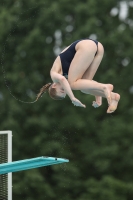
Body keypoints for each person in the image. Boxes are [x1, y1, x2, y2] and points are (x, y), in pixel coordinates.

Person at [36, 38, 120, 113]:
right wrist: (98, 98)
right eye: (65, 92)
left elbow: (62, 80)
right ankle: (113, 97)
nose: (66, 89)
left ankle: (105, 87)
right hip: (98, 48)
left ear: (54, 85)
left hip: (86, 46)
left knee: (72, 85)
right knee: (84, 88)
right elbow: (88, 83)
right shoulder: (71, 75)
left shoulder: (53, 75)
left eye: (62, 90)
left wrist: (72, 98)